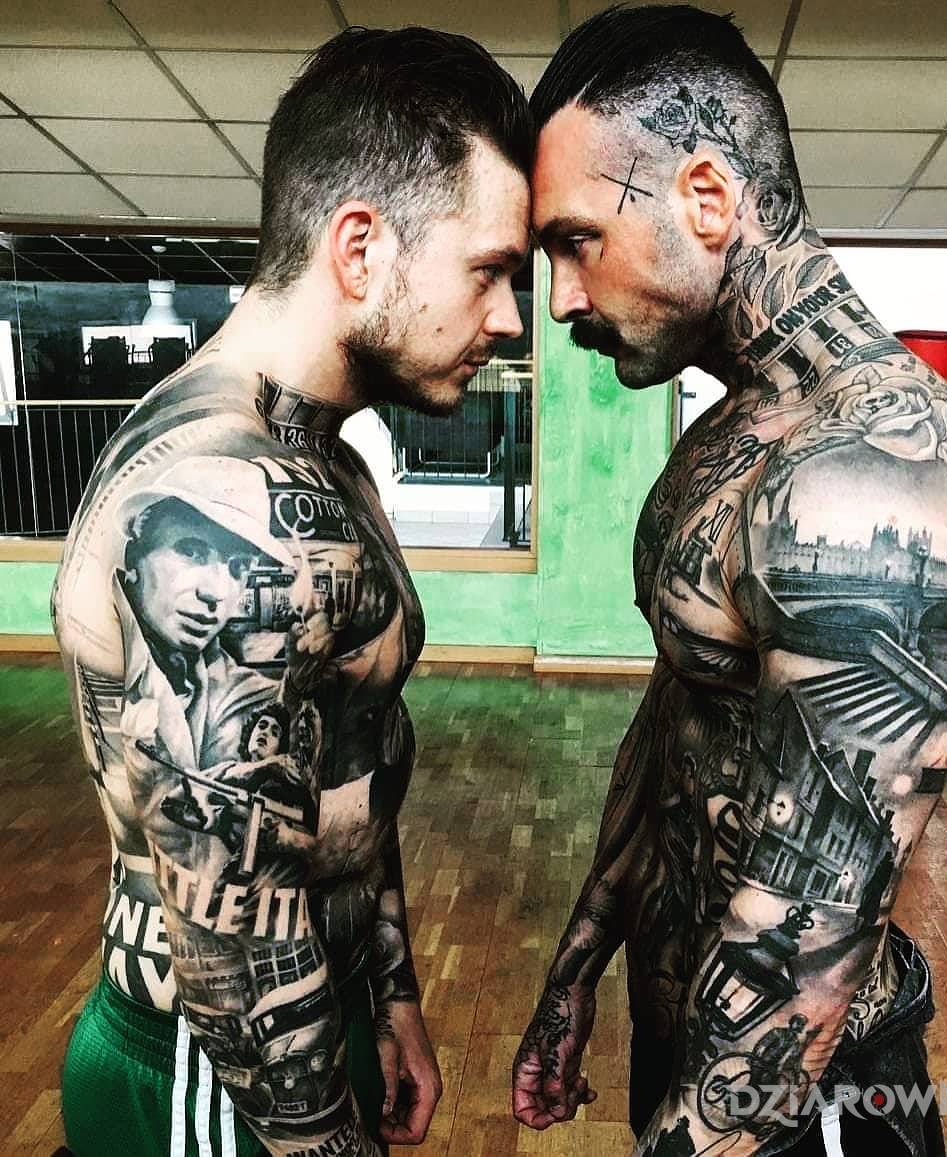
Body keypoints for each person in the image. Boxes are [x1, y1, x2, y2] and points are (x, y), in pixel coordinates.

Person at [513, 7, 947, 1157]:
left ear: (706, 196)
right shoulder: (731, 429)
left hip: (796, 1100)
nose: (562, 299)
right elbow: (677, 708)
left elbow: (803, 970)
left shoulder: (874, 470)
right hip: (690, 1053)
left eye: (577, 240)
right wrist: (580, 957)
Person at [53, 25, 531, 1157]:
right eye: (488, 269)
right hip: (218, 1072)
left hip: (309, 1017)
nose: (511, 316)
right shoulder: (224, 496)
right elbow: (228, 937)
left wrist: (393, 991)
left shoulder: (323, 460)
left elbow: (345, 750)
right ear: (359, 247)